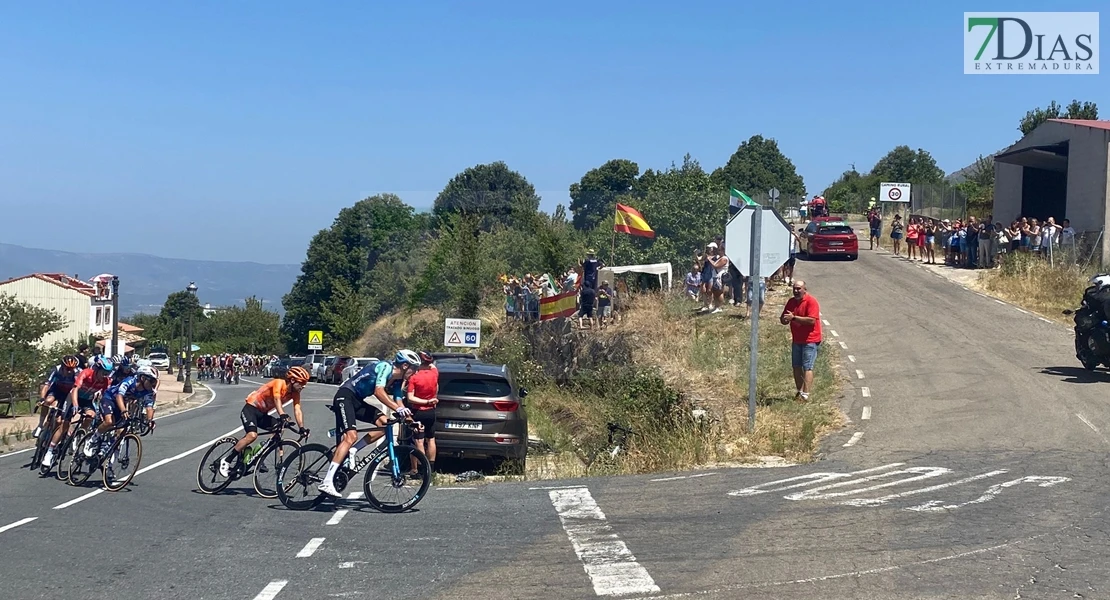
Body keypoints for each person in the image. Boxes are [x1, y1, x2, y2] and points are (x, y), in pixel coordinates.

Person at [317, 350, 422, 498]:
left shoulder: (398, 381)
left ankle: (353, 451)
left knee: (386, 423)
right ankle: (327, 481)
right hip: (345, 396)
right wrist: (398, 408)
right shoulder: (385, 367)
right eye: (414, 368)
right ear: (405, 366)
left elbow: (399, 402)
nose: (415, 372)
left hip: (358, 400)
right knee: (350, 436)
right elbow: (378, 391)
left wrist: (412, 421)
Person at [218, 365, 311, 477]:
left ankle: (257, 455)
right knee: (252, 435)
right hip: (250, 409)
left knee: (279, 429)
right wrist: (282, 414)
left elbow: (297, 409)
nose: (304, 386)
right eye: (302, 383)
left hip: (262, 414)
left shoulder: (295, 393)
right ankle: (226, 461)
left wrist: (301, 427)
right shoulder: (278, 383)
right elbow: (277, 399)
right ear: (292, 380)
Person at [41, 356, 114, 468]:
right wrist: (75, 405)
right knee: (64, 425)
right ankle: (49, 452)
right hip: (73, 398)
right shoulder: (86, 373)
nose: (105, 375)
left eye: (108, 373)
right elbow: (75, 389)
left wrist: (103, 412)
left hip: (87, 401)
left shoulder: (105, 381)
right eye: (104, 372)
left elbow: (104, 397)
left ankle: (79, 434)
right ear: (97, 369)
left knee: (91, 416)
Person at [87, 365, 159, 458]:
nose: (153, 384)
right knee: (109, 422)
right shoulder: (129, 381)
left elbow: (149, 407)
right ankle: (92, 440)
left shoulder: (148, 391)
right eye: (152, 381)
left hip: (120, 404)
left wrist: (150, 420)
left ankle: (108, 460)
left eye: (155, 382)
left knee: (122, 431)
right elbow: (119, 396)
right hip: (109, 398)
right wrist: (124, 410)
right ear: (143, 378)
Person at [780, 280, 822, 403]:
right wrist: (784, 320)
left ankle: (805, 394)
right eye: (794, 289)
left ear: (804, 290)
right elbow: (784, 318)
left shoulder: (811, 302)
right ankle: (799, 392)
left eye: (799, 288)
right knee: (796, 366)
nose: (796, 291)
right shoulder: (791, 302)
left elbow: (811, 321)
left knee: (807, 366)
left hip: (810, 339)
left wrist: (794, 318)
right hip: (797, 339)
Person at [405, 351, 439, 474]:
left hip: (418, 411)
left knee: (419, 441)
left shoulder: (414, 377)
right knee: (431, 439)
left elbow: (410, 398)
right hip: (431, 412)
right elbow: (433, 365)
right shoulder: (434, 373)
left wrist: (426, 401)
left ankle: (421, 469)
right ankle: (431, 468)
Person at [35, 355, 80, 437]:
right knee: (48, 401)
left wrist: (75, 404)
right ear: (62, 367)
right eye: (67, 369)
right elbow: (46, 385)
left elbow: (76, 389)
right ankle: (40, 425)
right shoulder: (56, 369)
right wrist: (42, 398)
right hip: (56, 390)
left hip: (67, 394)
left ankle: (54, 434)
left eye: (71, 369)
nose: (70, 371)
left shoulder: (76, 373)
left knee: (60, 420)